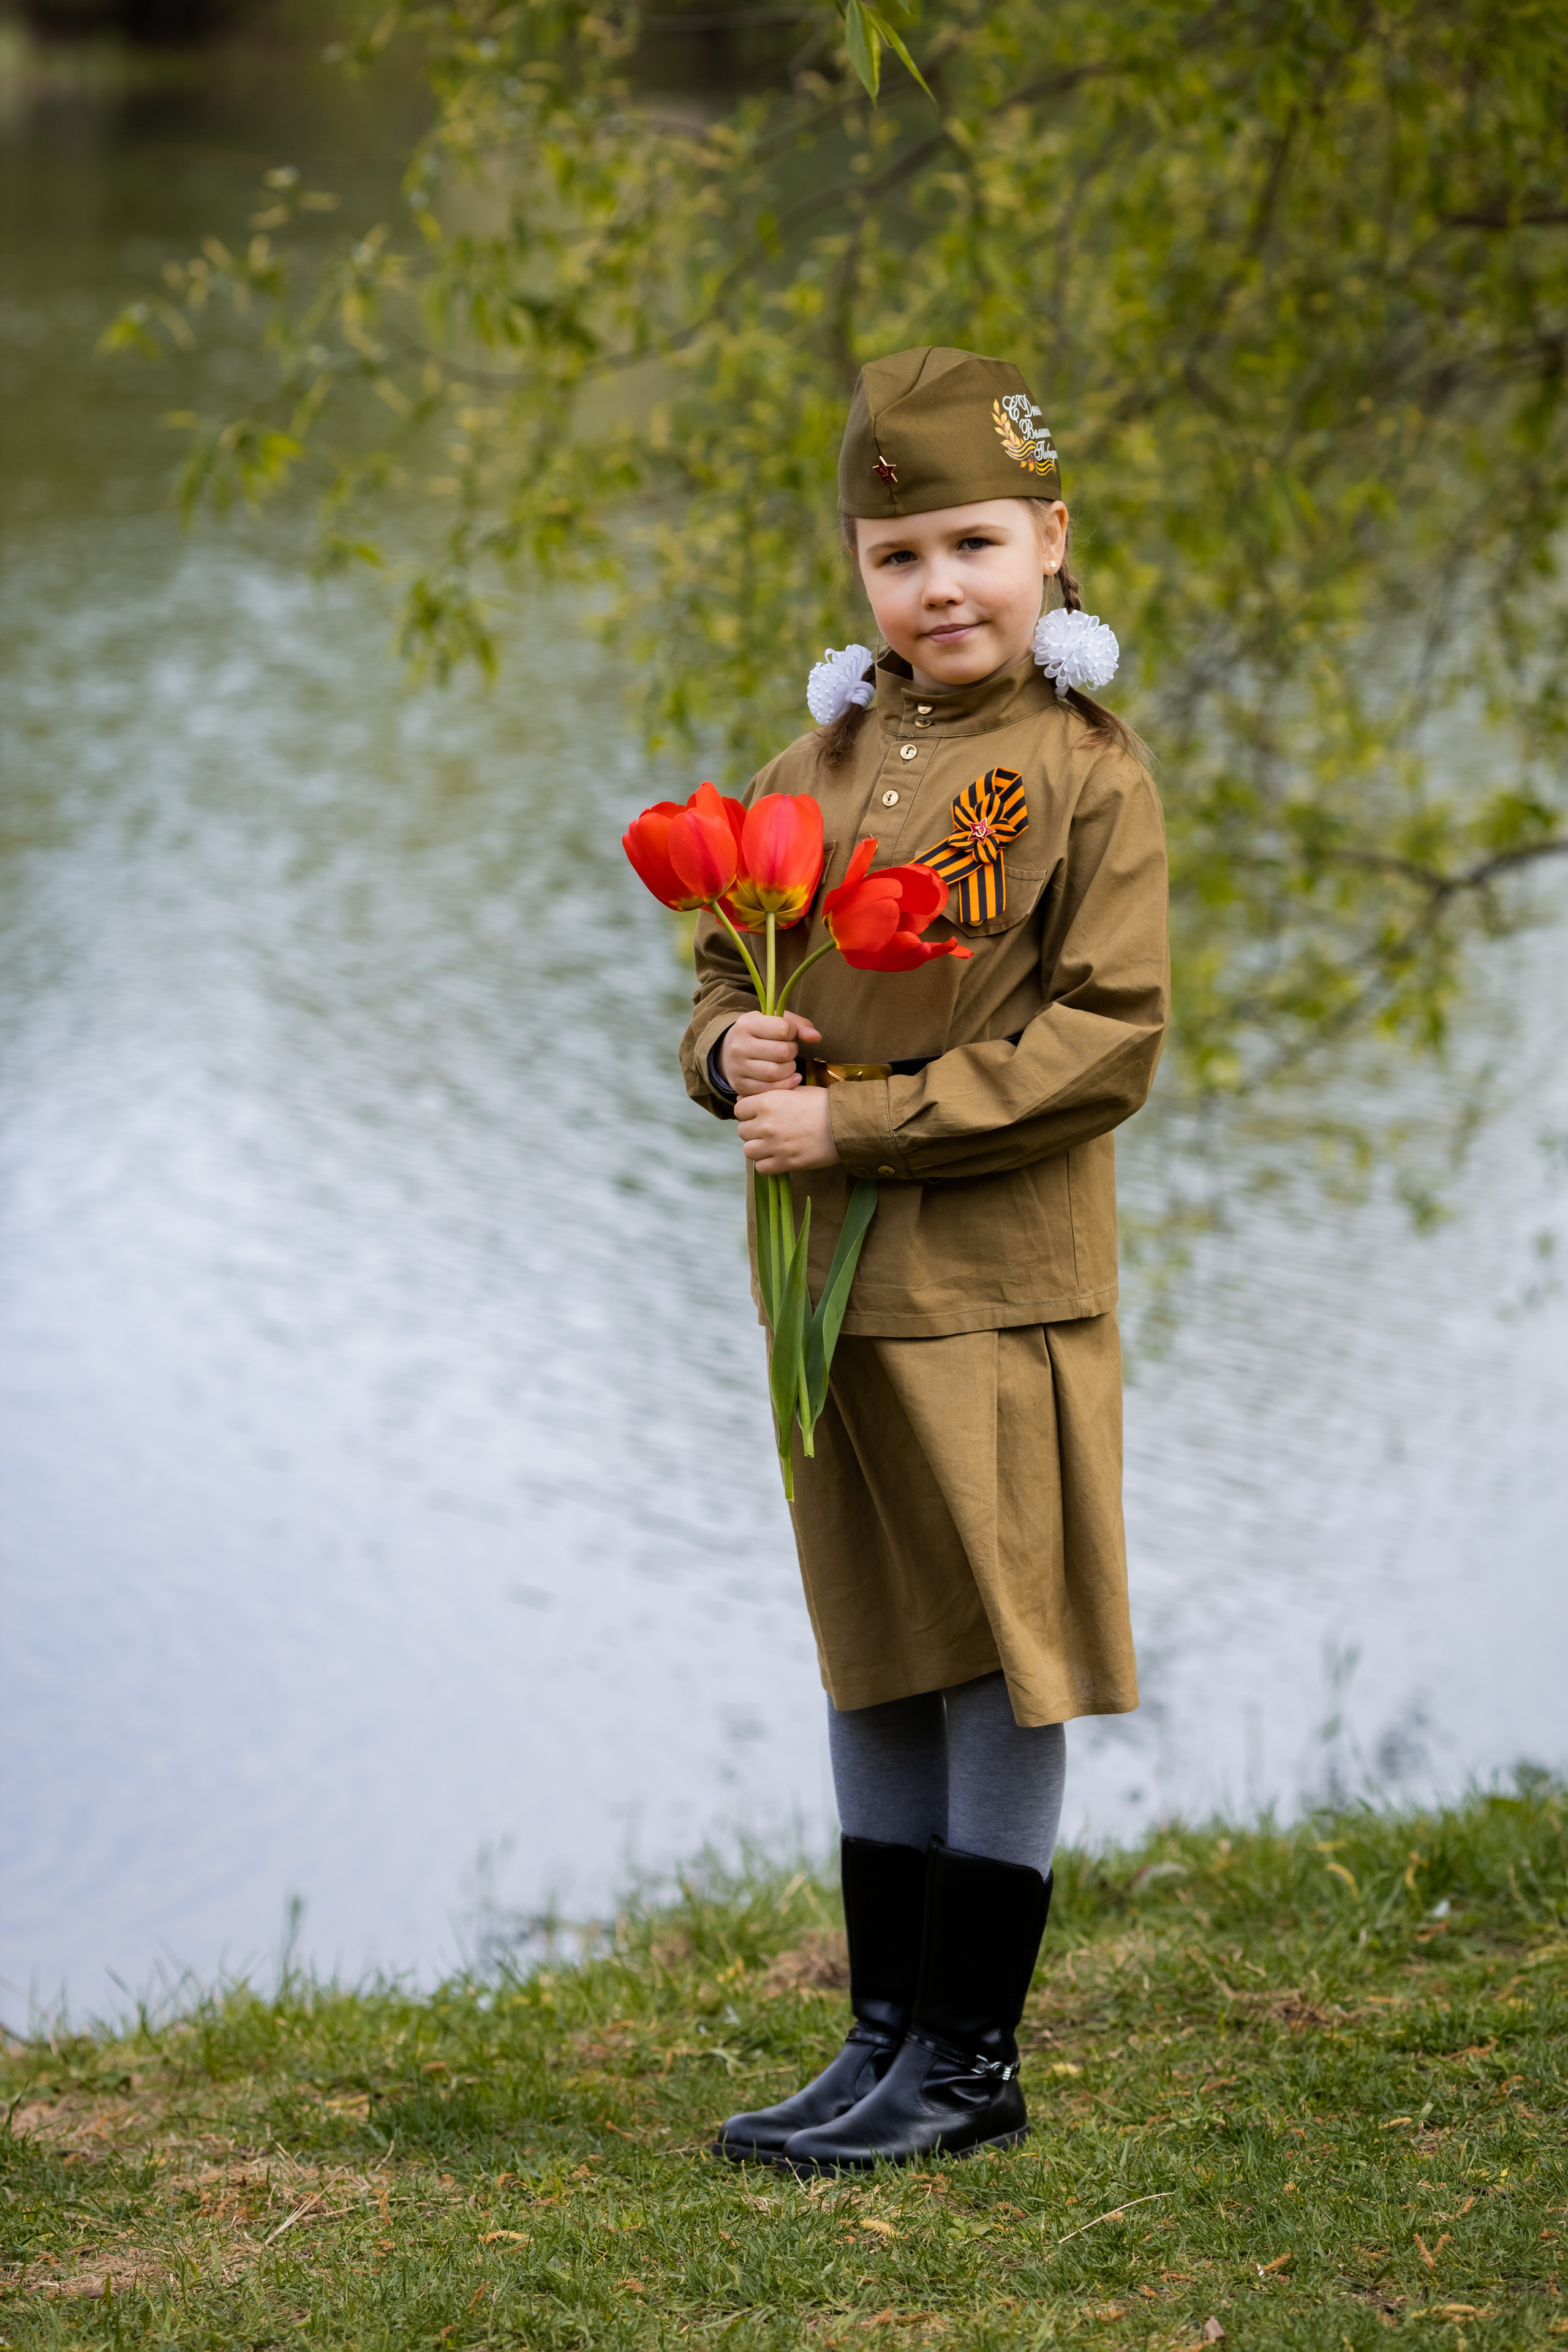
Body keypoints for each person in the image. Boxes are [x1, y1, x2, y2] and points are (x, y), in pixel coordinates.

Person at [679, 345, 1169, 2170]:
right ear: (859, 573)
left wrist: (862, 1128)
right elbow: (735, 958)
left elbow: (1104, 1040)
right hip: (827, 1286)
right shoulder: (815, 757)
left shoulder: (1086, 775)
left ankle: (971, 2064)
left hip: (998, 1282)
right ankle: (882, 2037)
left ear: (1050, 543)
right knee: (874, 1643)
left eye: (972, 542)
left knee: (993, 1654)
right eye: (898, 555)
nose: (937, 587)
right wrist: (726, 1049)